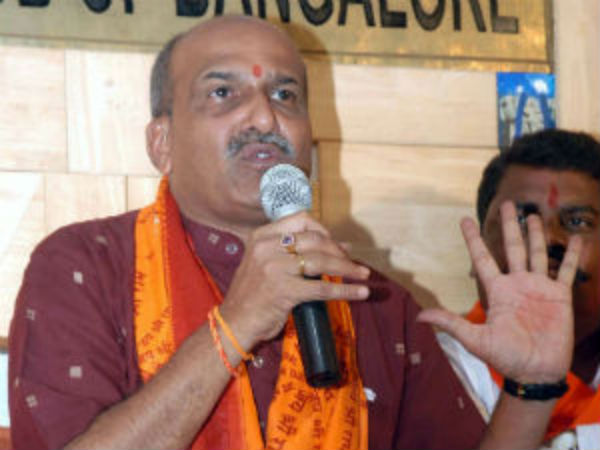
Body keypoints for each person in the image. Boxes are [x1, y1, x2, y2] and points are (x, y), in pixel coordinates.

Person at [8, 16, 583, 450]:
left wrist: (530, 388)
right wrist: (233, 329)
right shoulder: (84, 267)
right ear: (162, 142)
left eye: (285, 95)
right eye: (222, 93)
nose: (265, 118)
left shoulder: (374, 302)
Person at [438, 129, 600, 449]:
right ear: (477, 254)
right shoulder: (432, 372)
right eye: (521, 220)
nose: (548, 239)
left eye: (578, 222)